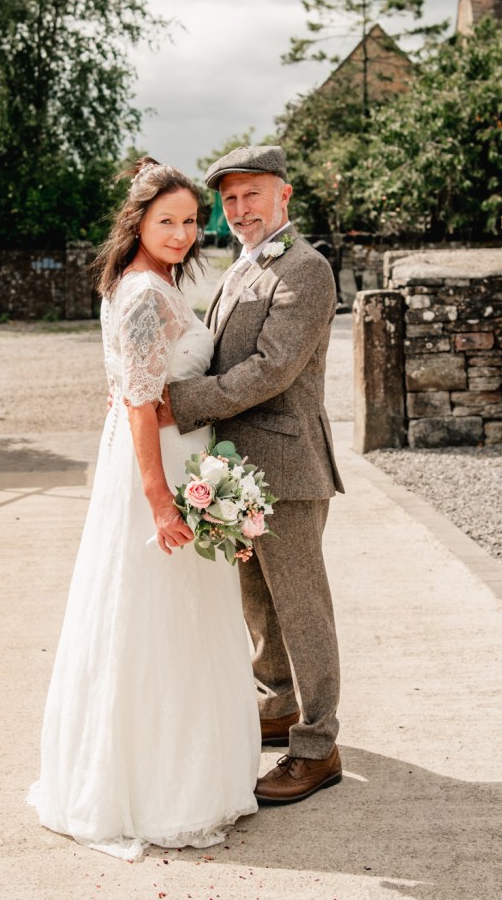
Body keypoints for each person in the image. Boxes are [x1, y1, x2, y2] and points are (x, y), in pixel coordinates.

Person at [27, 158, 260, 860]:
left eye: (191, 221)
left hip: (176, 451)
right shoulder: (137, 294)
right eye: (169, 221)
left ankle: (186, 769)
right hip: (151, 468)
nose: (183, 233)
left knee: (177, 617)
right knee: (151, 616)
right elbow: (135, 400)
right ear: (138, 222)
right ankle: (154, 787)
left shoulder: (155, 281)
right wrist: (160, 499)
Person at [158, 144, 345, 804]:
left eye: (251, 195)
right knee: (256, 602)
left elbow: (270, 368)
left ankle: (318, 745)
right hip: (238, 469)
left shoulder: (306, 267)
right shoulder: (242, 266)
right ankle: (278, 704)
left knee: (301, 609)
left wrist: (176, 404)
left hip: (287, 466)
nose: (239, 210)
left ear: (283, 195)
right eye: (230, 200)